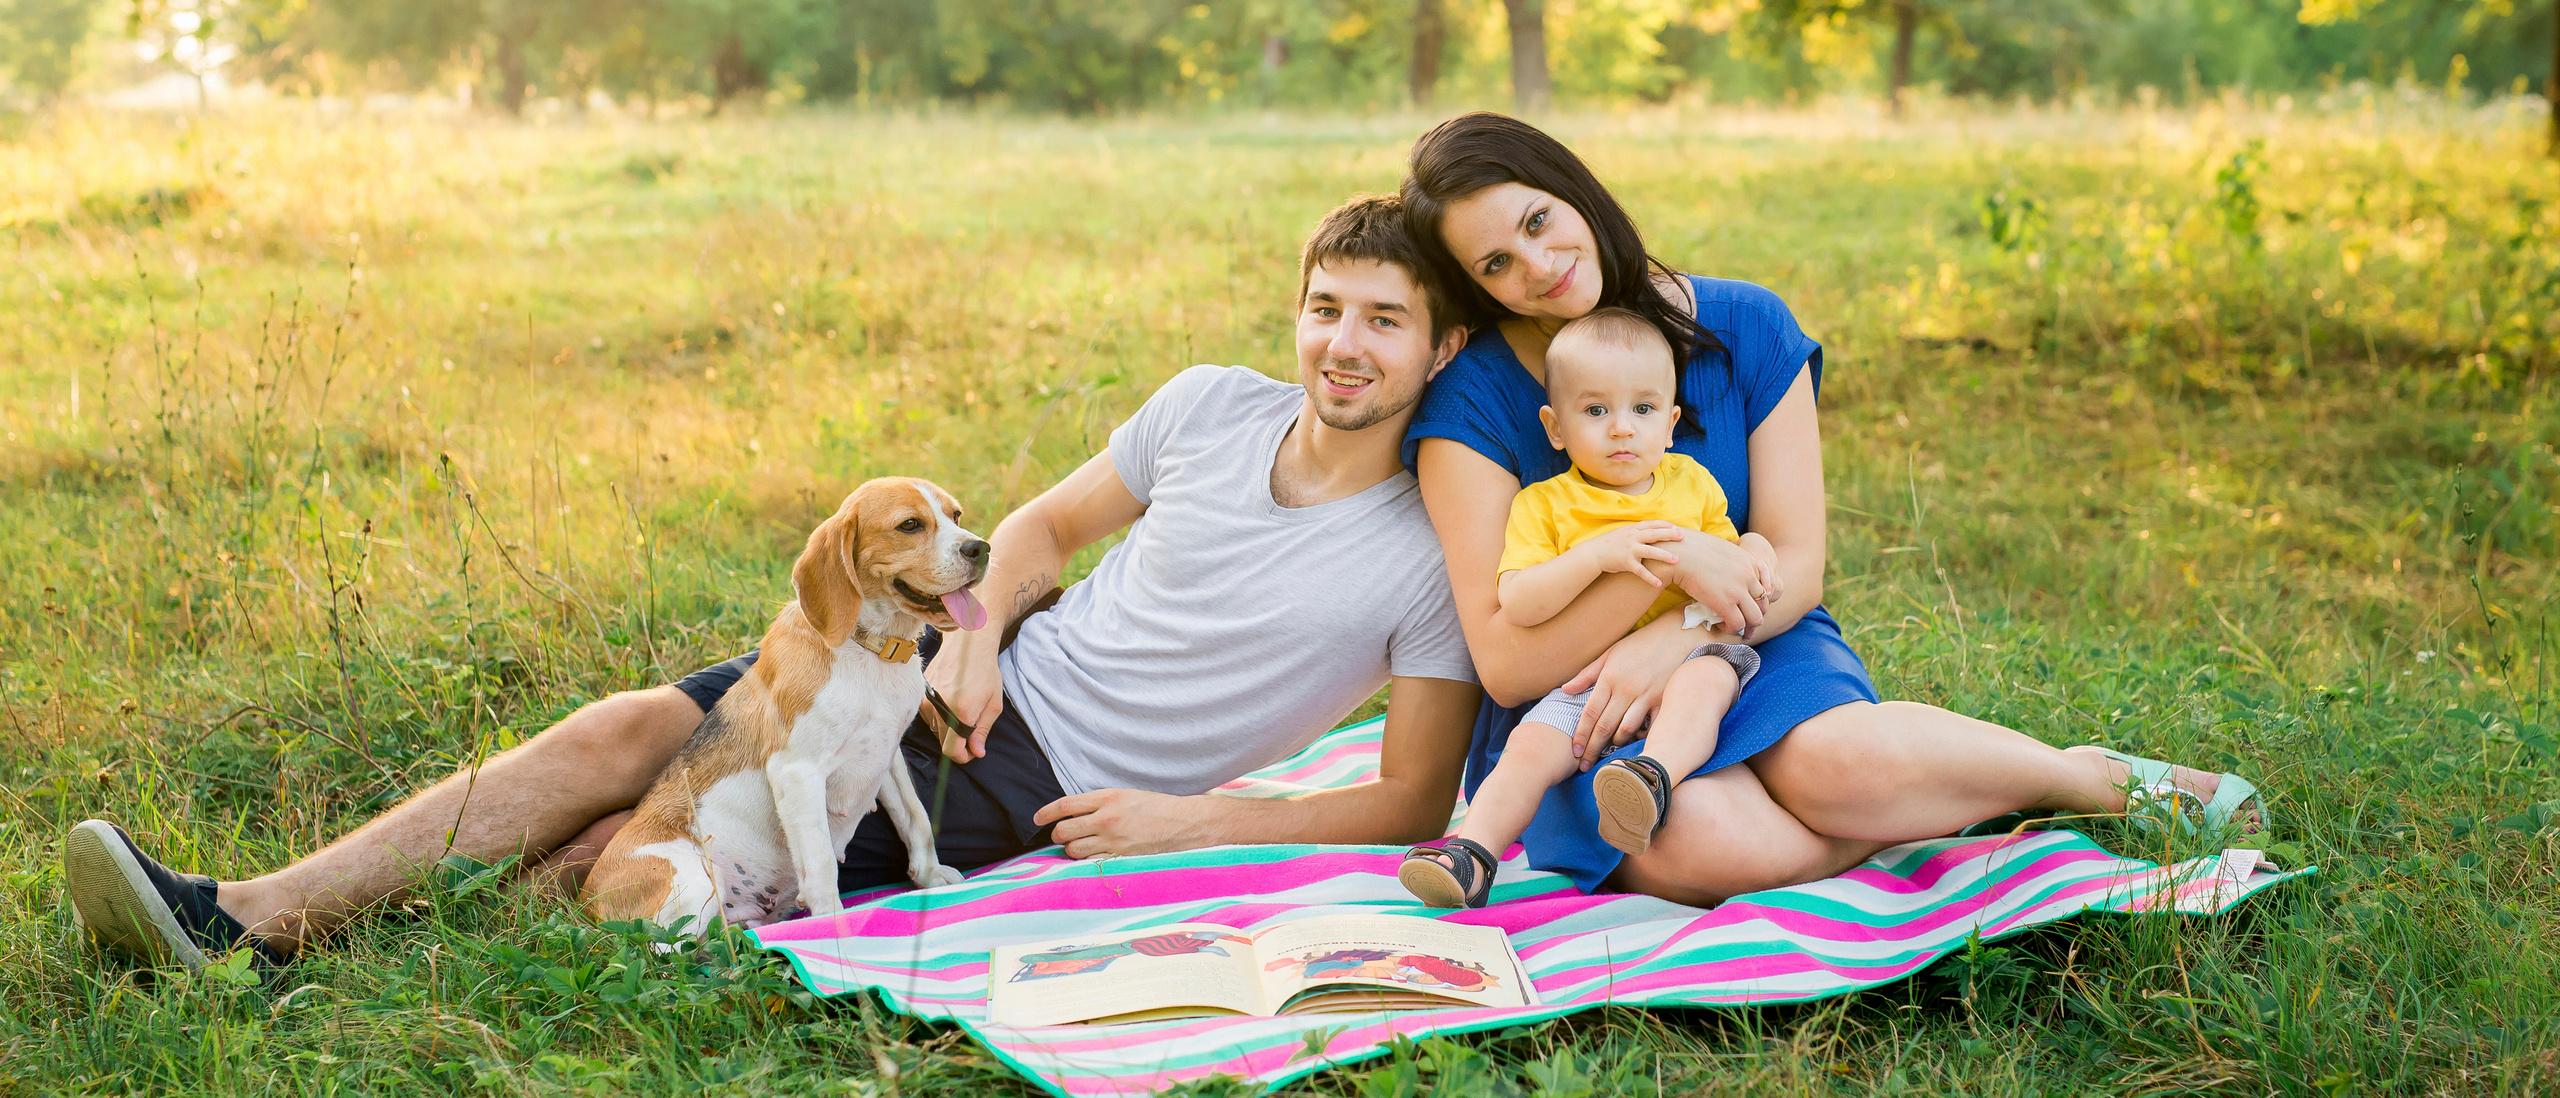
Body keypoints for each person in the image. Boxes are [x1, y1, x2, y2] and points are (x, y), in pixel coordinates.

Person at [61, 195, 1486, 972]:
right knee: (632, 732)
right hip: (937, 671)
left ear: (1444, 349)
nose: (1342, 345)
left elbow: (1411, 797)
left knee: (639, 837)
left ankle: (321, 951)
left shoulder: (1432, 553)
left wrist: (1193, 819)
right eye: (1325, 308)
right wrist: (976, 635)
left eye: (1384, 322)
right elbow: (1046, 529)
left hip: (1038, 778)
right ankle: (245, 913)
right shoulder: (1211, 404)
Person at [1397, 112, 2269, 907]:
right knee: (1697, 836)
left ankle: (2081, 778)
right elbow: (1507, 665)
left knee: (1837, 766)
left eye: (1538, 221)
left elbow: (1796, 564)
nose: (1538, 267)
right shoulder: (1471, 402)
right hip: (1584, 702)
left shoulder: (1747, 325)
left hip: (1753, 635)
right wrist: (1669, 561)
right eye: (1495, 265)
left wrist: (1682, 635)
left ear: (1573, 189)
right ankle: (1906, 818)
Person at [1398, 308, 1770, 908]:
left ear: (1671, 424)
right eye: (1596, 411)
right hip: (1589, 682)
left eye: (1643, 409)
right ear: (1556, 427)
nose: (1622, 429)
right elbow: (1519, 600)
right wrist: (1596, 556)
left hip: (1688, 652)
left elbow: (1729, 576)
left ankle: (1651, 778)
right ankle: (1471, 854)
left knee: (1705, 682)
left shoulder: (1693, 485)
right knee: (1528, 749)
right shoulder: (1545, 505)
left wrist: (1754, 549)